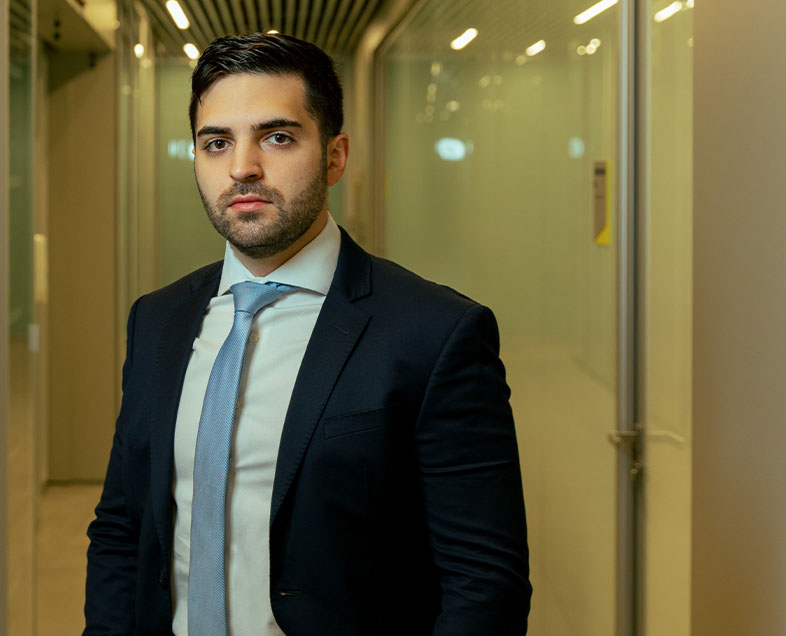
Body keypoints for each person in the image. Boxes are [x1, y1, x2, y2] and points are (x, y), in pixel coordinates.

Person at [84, 32, 531, 636]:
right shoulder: (157, 320)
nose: (242, 167)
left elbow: (484, 581)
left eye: (277, 136)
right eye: (216, 143)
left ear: (336, 155)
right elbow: (122, 527)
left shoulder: (435, 333)